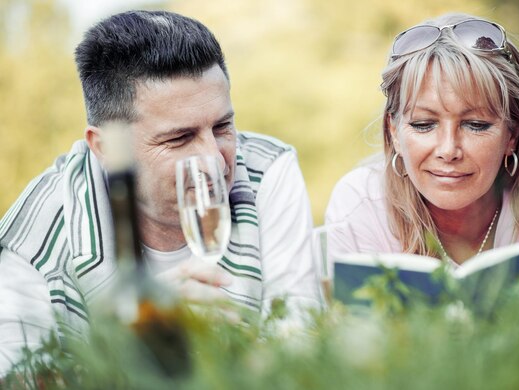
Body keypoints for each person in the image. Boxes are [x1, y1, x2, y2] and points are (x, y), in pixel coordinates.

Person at [0, 10, 320, 374]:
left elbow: (300, 348)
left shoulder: (269, 173)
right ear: (108, 149)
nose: (213, 159)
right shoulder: (33, 237)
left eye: (222, 127)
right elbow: (16, 377)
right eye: (179, 138)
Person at [326, 13, 519, 270]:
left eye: (475, 125)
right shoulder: (361, 204)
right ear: (394, 133)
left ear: (512, 136)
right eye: (423, 125)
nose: (448, 150)